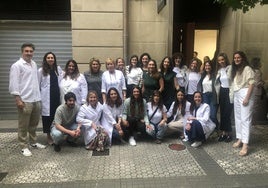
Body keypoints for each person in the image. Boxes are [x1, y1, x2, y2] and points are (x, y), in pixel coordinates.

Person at [9, 43, 46, 157]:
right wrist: (18, 99)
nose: (29, 53)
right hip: (25, 100)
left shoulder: (33, 64)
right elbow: (13, 84)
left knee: (34, 124)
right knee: (23, 125)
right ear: (22, 52)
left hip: (36, 99)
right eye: (27, 51)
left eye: (31, 51)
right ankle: (23, 146)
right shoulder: (17, 65)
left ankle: (33, 142)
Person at [230, 51, 255, 156]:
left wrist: (247, 98)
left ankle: (245, 144)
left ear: (243, 58)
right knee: (238, 118)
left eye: (238, 57)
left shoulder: (247, 69)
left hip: (245, 93)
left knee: (245, 119)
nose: (236, 59)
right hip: (237, 94)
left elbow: (251, 84)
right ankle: (240, 138)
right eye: (235, 58)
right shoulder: (236, 70)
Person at [38, 52, 63, 145]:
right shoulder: (41, 71)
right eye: (48, 58)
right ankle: (48, 137)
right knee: (47, 117)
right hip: (46, 98)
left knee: (55, 116)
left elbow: (63, 79)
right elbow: (37, 84)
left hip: (56, 97)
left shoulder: (58, 69)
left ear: (54, 59)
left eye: (52, 57)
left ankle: (56, 134)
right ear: (45, 59)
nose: (50, 59)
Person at [215, 53, 233, 142]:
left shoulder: (231, 68)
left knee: (227, 114)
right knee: (222, 113)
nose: (221, 61)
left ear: (225, 59)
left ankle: (229, 133)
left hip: (229, 92)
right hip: (222, 92)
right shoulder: (219, 70)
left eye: (222, 59)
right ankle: (223, 133)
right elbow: (218, 83)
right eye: (219, 60)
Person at [198, 60, 219, 129]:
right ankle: (209, 130)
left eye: (208, 65)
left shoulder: (215, 75)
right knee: (206, 114)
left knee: (212, 115)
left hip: (213, 96)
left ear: (211, 66)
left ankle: (216, 128)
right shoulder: (203, 75)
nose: (207, 67)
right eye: (206, 65)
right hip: (204, 96)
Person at [250, 57, 268, 124]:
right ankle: (253, 122)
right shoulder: (257, 71)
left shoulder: (251, 71)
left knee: (252, 106)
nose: (261, 63)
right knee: (254, 107)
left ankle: (252, 121)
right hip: (256, 91)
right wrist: (263, 82)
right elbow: (257, 83)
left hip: (252, 91)